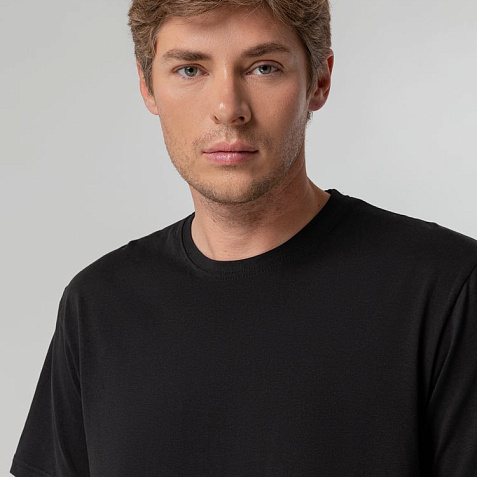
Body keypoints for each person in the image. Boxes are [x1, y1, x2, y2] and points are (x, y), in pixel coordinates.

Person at [10, 0, 477, 475]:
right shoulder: (98, 305)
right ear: (147, 86)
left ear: (319, 80)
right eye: (191, 69)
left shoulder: (446, 290)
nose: (228, 109)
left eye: (263, 67)